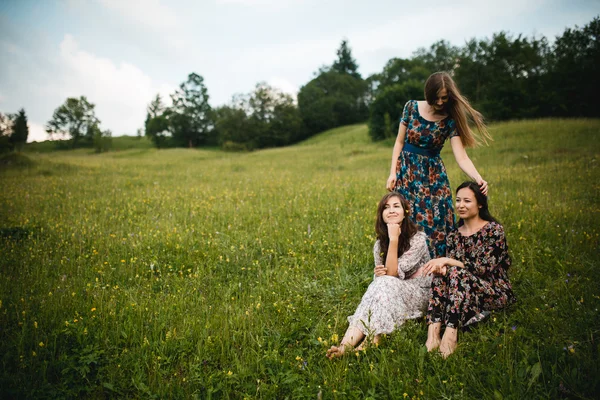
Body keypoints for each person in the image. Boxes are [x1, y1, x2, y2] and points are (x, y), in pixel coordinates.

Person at [385, 71, 493, 258]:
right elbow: (399, 142)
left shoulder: (449, 120)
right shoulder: (411, 107)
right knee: (407, 219)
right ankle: (404, 265)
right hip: (407, 173)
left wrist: (478, 178)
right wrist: (392, 172)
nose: (441, 102)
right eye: (437, 98)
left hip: (433, 179)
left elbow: (462, 157)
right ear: (429, 93)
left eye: (445, 98)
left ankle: (436, 268)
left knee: (435, 223)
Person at [326, 192, 431, 359]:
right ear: (381, 214)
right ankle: (345, 346)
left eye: (396, 206)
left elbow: (392, 274)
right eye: (386, 207)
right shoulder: (379, 245)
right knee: (379, 286)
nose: (391, 210)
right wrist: (378, 275)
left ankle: (370, 341)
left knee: (385, 282)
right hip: (391, 292)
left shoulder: (418, 239)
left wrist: (394, 239)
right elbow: (384, 280)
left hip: (418, 293)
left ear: (405, 212)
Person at [422, 181, 516, 358]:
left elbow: (482, 268)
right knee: (440, 274)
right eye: (458, 200)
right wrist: (443, 268)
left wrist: (448, 261)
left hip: (493, 290)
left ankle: (451, 334)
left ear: (480, 204)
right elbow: (452, 272)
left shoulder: (494, 231)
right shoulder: (454, 235)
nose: (461, 205)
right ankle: (433, 334)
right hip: (462, 291)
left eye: (467, 201)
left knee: (454, 271)